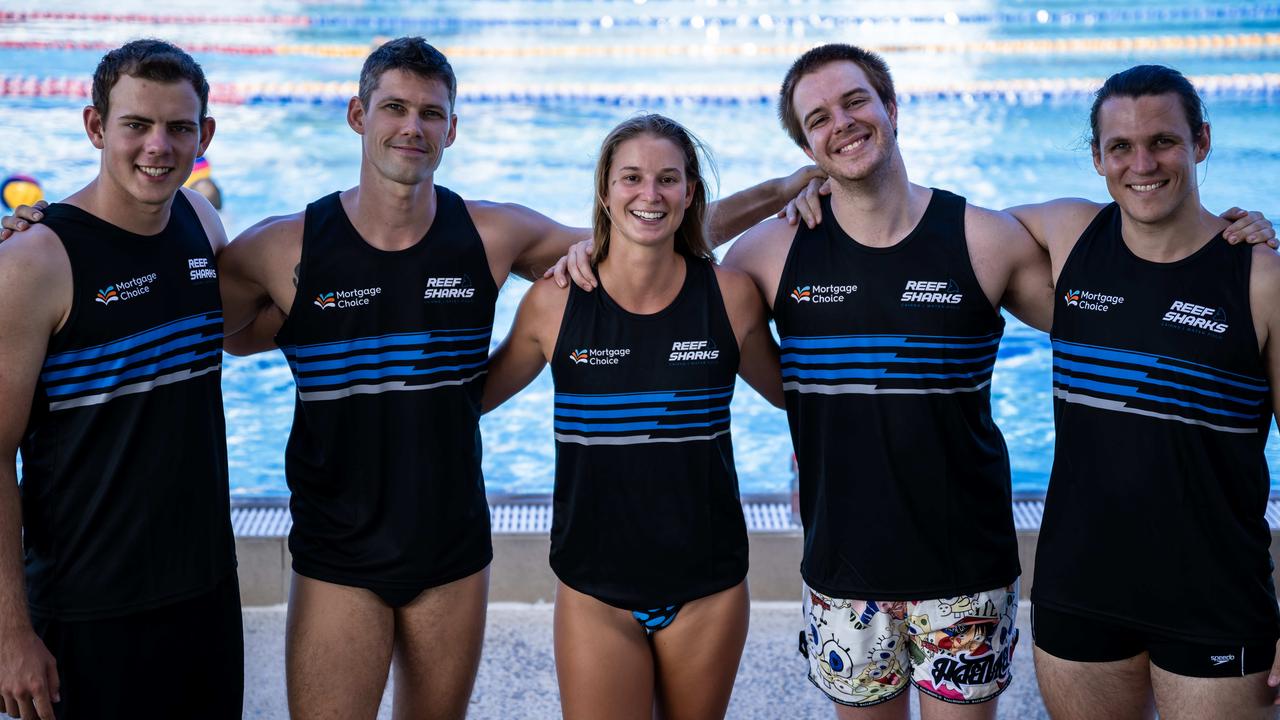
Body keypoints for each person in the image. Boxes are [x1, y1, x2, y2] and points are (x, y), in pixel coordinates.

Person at [210, 38, 817, 719]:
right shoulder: (282, 247)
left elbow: (649, 234)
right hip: (335, 544)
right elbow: (225, 335)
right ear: (358, 114)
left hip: (453, 543)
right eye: (394, 108)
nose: (412, 127)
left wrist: (779, 193)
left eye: (431, 113)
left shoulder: (493, 235)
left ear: (453, 128)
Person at [481, 114, 784, 719]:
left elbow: (795, 396)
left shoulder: (730, 297)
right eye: (632, 178)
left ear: (690, 193)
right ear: (605, 191)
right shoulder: (555, 302)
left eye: (669, 179)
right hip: (596, 589)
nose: (650, 194)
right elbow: (470, 398)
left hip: (708, 584)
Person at [1004, 65, 1280, 720]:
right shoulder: (1073, 237)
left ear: (1201, 142)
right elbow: (936, 235)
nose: (1142, 163)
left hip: (1216, 601)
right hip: (1079, 593)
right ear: (1098, 157)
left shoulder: (1260, 277)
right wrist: (804, 194)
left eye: (1163, 141)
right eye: (1120, 147)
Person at [0, 40, 241, 720]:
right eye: (136, 124)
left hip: (204, 592)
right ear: (96, 126)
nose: (157, 146)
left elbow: (251, 331)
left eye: (179, 127)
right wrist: (9, 632)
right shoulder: (35, 262)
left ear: (204, 136)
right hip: (88, 607)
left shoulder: (201, 221)